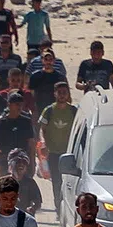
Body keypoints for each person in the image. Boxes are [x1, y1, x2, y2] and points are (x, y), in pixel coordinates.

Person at [39, 82, 76, 215]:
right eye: (59, 92)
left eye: (64, 92)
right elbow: (42, 129)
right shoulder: (48, 111)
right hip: (53, 153)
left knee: (71, 182)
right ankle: (59, 208)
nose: (62, 95)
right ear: (55, 94)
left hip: (70, 154)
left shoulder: (73, 111)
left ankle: (70, 207)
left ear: (68, 94)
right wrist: (43, 143)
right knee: (56, 181)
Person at [0, 93, 34, 175]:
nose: (19, 107)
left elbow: (31, 144)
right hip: (5, 162)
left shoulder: (26, 122)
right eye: (17, 104)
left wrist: (32, 164)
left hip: (22, 162)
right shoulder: (0, 123)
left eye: (21, 104)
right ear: (9, 105)